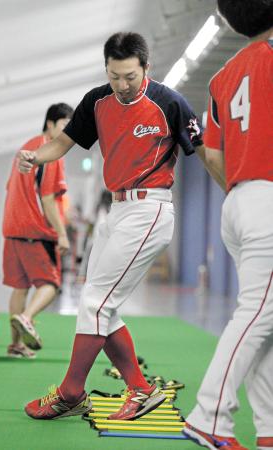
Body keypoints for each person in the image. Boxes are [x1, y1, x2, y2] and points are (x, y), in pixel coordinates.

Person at [18, 32, 220, 420]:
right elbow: (62, 143)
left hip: (151, 211)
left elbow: (207, 152)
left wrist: (240, 193)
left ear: (146, 67)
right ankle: (141, 390)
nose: (123, 85)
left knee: (96, 303)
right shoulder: (97, 102)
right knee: (98, 305)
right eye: (115, 76)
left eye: (130, 76)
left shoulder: (169, 103)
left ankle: (70, 393)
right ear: (106, 70)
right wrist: (36, 156)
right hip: (117, 212)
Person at [183, 1, 273, 449]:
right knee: (259, 314)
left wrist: (243, 190)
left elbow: (211, 154)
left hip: (238, 201)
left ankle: (268, 429)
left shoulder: (223, 76)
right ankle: (209, 416)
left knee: (264, 319)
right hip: (268, 201)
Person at [3, 103, 73, 358]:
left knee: (20, 288)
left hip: (11, 228)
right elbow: (48, 199)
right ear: (51, 124)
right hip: (35, 229)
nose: (68, 133)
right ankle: (27, 317)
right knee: (50, 285)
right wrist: (62, 233)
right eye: (65, 126)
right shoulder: (49, 152)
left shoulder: (25, 148)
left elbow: (9, 186)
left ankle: (16, 346)